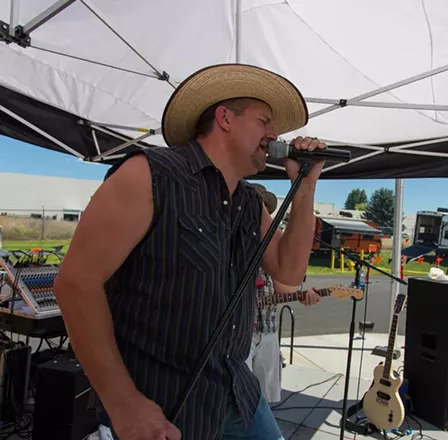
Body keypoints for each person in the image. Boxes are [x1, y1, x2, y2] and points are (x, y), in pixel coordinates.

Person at [53, 64, 326, 440]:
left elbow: (289, 272)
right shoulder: (149, 175)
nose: (275, 135)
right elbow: (76, 285)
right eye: (264, 121)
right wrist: (123, 403)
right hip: (166, 401)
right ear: (226, 118)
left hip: (235, 390)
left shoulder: (249, 203)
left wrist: (305, 187)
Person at [247, 184, 321, 404]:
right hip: (239, 334)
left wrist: (302, 295)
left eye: (263, 209)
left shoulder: (272, 244)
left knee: (266, 397)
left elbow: (284, 289)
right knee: (237, 398)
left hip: (268, 330)